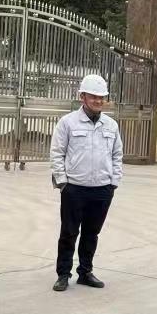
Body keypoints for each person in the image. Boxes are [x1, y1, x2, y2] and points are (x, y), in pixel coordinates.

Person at [50, 74, 123, 292]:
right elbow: (57, 153)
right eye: (93, 96)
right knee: (69, 233)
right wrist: (63, 182)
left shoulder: (111, 125)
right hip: (74, 188)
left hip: (102, 189)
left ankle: (85, 272)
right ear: (82, 97)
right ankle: (63, 274)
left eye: (101, 97)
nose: (98, 101)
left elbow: (117, 155)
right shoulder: (68, 122)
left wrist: (113, 182)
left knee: (92, 234)